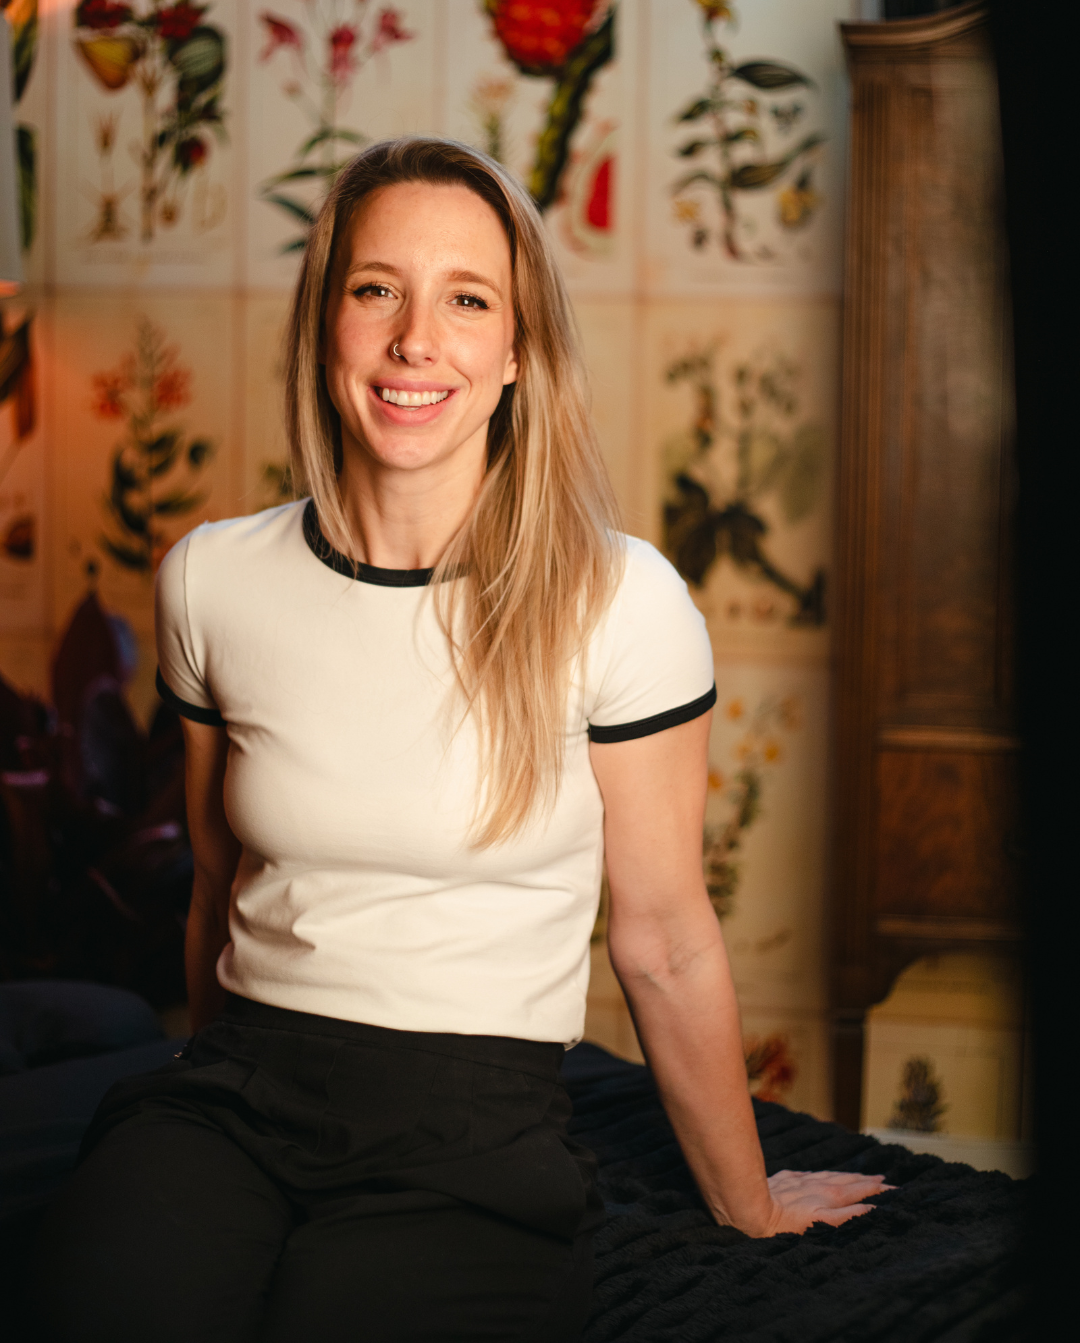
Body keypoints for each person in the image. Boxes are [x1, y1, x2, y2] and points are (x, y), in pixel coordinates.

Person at [36, 137, 887, 1343]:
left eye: (467, 300)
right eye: (376, 288)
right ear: (325, 322)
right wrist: (205, 1076)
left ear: (518, 355)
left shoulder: (621, 600)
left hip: (475, 1134)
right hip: (234, 1102)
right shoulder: (212, 580)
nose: (414, 341)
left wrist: (745, 1202)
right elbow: (217, 884)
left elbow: (664, 938)